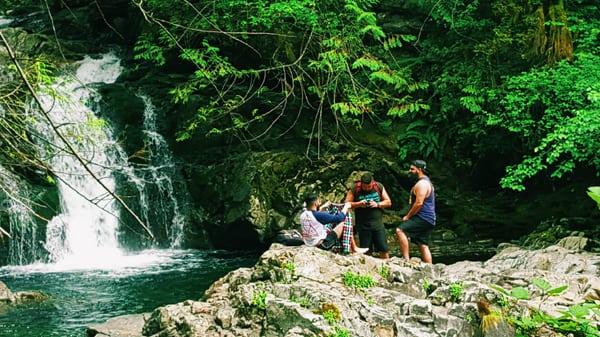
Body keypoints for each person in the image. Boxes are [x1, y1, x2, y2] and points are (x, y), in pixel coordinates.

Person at [395, 160, 436, 264]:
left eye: (412, 169)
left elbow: (419, 203)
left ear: (420, 170)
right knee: (422, 243)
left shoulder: (422, 184)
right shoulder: (426, 182)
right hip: (429, 218)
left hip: (423, 217)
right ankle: (430, 267)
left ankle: (406, 259)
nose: (410, 171)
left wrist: (408, 216)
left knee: (400, 230)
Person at [300, 193, 367, 253]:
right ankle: (353, 248)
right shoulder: (319, 215)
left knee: (330, 223)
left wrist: (321, 208)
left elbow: (314, 218)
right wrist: (346, 207)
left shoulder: (303, 215)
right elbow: (339, 218)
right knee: (345, 220)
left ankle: (353, 247)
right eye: (318, 200)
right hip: (323, 245)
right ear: (315, 203)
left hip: (309, 243)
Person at [345, 172, 392, 259]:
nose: (367, 189)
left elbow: (388, 202)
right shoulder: (355, 188)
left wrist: (377, 204)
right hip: (363, 225)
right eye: (365, 187)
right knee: (365, 250)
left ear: (373, 183)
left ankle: (387, 265)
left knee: (383, 248)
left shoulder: (378, 186)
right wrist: (359, 204)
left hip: (378, 224)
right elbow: (346, 204)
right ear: (361, 183)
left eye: (369, 187)